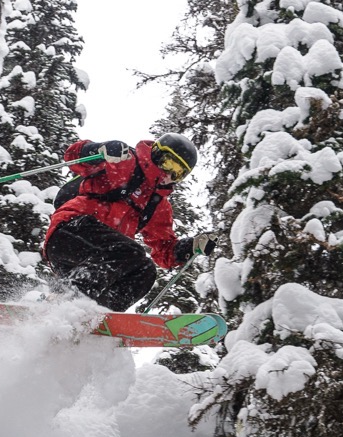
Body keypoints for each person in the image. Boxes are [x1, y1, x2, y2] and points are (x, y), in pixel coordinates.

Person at [42, 133, 216, 312]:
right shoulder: (125, 162)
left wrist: (190, 246)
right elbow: (73, 157)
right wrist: (100, 149)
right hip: (70, 233)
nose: (169, 174)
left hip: (97, 262)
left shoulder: (157, 205)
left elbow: (164, 250)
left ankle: (98, 312)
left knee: (146, 271)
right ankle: (68, 297)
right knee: (130, 251)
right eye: (169, 163)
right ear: (156, 153)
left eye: (178, 173)